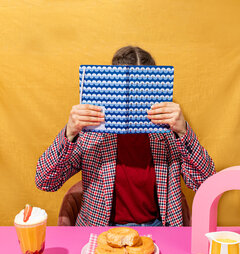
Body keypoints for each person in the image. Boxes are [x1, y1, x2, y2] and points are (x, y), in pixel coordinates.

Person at [35, 46, 215, 227]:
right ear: (113, 88)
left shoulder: (168, 134)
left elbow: (207, 183)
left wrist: (183, 131)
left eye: (142, 91)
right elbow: (45, 181)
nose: (133, 98)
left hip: (158, 228)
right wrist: (70, 133)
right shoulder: (91, 133)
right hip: (102, 231)